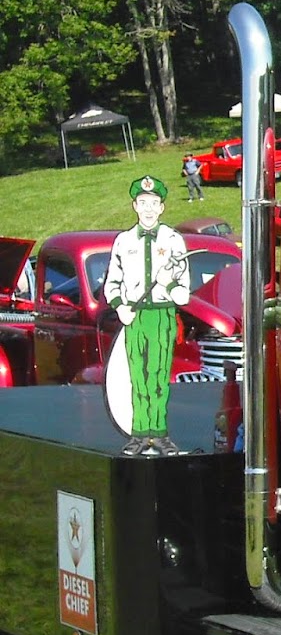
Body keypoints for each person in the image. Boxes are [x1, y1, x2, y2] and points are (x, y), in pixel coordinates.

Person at [103, 176, 190, 456]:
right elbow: (112, 282)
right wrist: (120, 306)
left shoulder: (174, 241)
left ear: (162, 207)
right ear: (134, 206)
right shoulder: (123, 241)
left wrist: (168, 283)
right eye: (143, 203)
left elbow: (183, 292)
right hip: (134, 316)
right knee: (137, 378)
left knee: (158, 376)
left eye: (154, 203)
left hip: (162, 315)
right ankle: (139, 434)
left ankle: (160, 434)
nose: (148, 209)